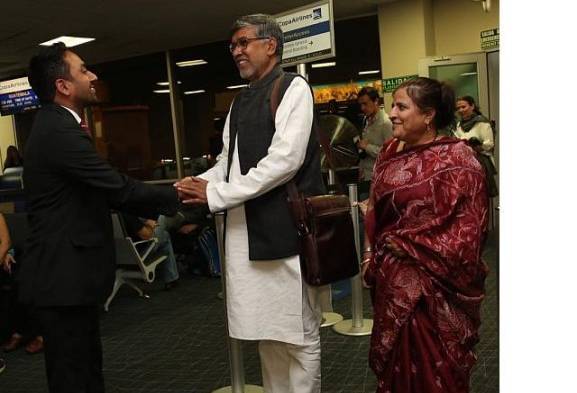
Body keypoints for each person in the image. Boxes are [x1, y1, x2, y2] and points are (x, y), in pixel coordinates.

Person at [20, 43, 183, 393]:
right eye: (83, 70)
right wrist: (180, 194)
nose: (93, 76)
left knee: (84, 367)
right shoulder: (59, 133)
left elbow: (93, 191)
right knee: (74, 375)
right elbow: (115, 186)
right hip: (62, 276)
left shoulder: (59, 125)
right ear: (63, 86)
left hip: (69, 275)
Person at [176, 14, 325, 393]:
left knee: (299, 334)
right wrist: (198, 183)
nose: (237, 51)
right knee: (267, 332)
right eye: (233, 46)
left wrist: (215, 195)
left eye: (244, 43)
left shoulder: (294, 88)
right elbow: (229, 162)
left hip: (287, 232)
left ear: (271, 45)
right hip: (246, 235)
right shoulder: (240, 102)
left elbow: (284, 162)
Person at [361, 77, 489, 393]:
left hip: (436, 291)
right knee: (396, 370)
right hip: (391, 282)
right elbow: (375, 206)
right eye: (393, 105)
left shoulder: (458, 159)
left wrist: (412, 245)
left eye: (402, 106)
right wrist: (369, 255)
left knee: (436, 374)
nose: (392, 113)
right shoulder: (390, 151)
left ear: (429, 115)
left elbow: (470, 230)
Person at [120, 213, 179, 289]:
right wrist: (150, 224)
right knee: (163, 222)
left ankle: (172, 278)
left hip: (116, 255)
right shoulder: (128, 214)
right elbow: (146, 235)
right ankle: (171, 279)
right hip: (138, 253)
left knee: (164, 236)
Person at [356, 86, 393, 184]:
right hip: (366, 176)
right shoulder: (367, 121)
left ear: (376, 101)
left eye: (365, 104)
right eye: (360, 105)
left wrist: (367, 147)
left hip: (379, 179)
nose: (362, 108)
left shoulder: (386, 123)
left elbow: (390, 153)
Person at [454, 95, 494, 160]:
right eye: (458, 108)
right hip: (465, 160)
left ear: (472, 106)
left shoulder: (482, 122)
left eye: (463, 107)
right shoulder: (459, 125)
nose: (460, 110)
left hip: (482, 160)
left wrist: (473, 147)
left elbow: (489, 144)